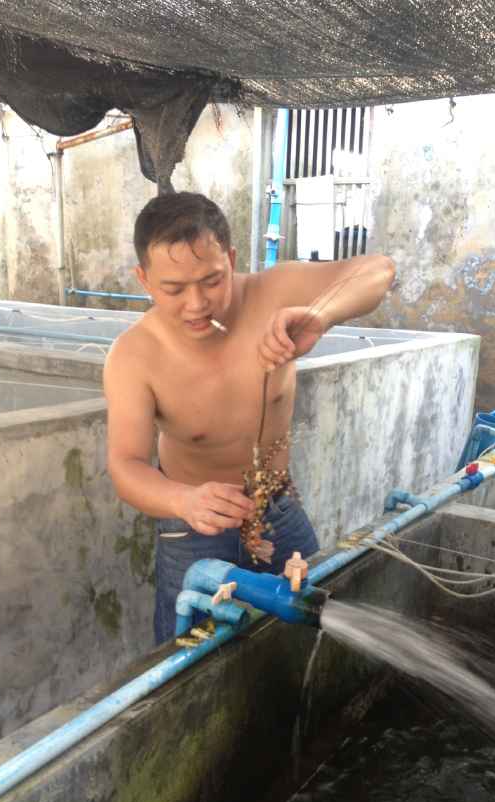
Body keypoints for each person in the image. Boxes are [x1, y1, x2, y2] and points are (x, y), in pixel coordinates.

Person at [104, 191, 395, 645]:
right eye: (173, 289)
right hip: (194, 529)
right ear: (143, 279)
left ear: (232, 259)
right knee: (190, 657)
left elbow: (379, 271)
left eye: (212, 280)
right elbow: (126, 465)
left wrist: (320, 315)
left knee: (307, 637)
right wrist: (184, 500)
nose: (196, 303)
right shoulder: (134, 356)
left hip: (279, 510)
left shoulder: (273, 293)